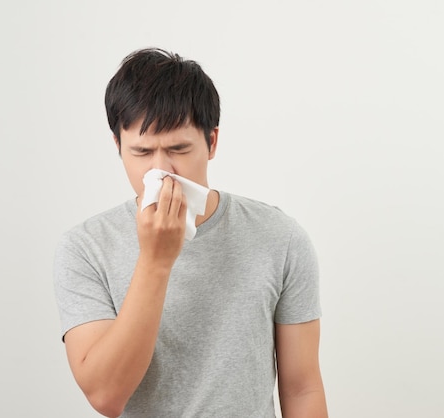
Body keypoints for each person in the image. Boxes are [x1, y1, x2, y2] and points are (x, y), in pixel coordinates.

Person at [54, 47, 328, 418]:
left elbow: (302, 388)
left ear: (211, 142)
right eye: (141, 152)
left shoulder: (280, 237)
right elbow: (106, 396)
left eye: (179, 149)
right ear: (118, 146)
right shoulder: (85, 248)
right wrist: (155, 260)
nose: (161, 171)